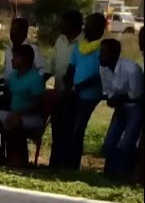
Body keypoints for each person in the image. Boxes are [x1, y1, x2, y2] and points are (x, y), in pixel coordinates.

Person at [53, 12, 107, 169]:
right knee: (66, 127)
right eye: (87, 24)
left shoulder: (101, 48)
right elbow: (70, 69)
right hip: (73, 94)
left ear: (100, 29)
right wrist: (69, 87)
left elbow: (98, 75)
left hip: (89, 96)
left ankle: (72, 165)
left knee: (77, 129)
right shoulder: (80, 47)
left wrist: (77, 87)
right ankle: (61, 164)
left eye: (91, 25)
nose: (87, 28)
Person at [0, 44, 46, 165]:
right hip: (14, 113)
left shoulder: (36, 79)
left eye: (16, 57)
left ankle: (17, 160)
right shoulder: (13, 77)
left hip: (32, 117)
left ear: (26, 60)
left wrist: (19, 113)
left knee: (14, 122)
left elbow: (37, 104)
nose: (12, 60)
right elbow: (7, 97)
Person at [98, 38, 144, 178]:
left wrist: (118, 98)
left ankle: (124, 174)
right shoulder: (103, 68)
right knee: (110, 142)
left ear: (114, 54)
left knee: (127, 142)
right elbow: (108, 91)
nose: (100, 56)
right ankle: (109, 173)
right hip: (120, 106)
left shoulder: (132, 69)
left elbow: (137, 95)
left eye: (104, 53)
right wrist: (113, 100)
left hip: (135, 107)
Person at [50, 10, 82, 89]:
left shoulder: (85, 43)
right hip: (58, 89)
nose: (60, 26)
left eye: (64, 23)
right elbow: (53, 62)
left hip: (76, 93)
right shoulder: (60, 39)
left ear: (74, 24)